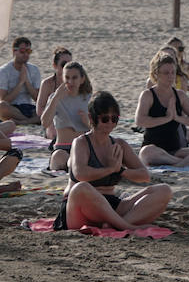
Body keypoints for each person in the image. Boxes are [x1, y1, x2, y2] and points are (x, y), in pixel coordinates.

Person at [57, 91, 171, 231]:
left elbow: (144, 176)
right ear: (91, 118)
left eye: (114, 119)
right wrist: (110, 169)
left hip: (112, 205)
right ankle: (125, 226)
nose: (110, 123)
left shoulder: (119, 144)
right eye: (105, 119)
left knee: (164, 190)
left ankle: (115, 225)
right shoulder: (81, 143)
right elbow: (80, 174)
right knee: (81, 188)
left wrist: (121, 171)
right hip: (81, 208)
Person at [135, 53, 189, 168]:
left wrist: (178, 118)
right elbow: (140, 121)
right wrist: (166, 119)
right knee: (146, 152)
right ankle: (181, 163)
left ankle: (177, 163)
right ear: (156, 74)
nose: (170, 76)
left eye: (173, 72)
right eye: (166, 73)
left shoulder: (180, 95)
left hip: (175, 150)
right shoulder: (148, 95)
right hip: (154, 149)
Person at [41, 60, 94, 170]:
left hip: (84, 147)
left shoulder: (89, 98)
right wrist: (55, 98)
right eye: (67, 78)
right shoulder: (55, 98)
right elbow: (45, 122)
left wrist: (87, 122)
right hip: (63, 147)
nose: (70, 82)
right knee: (59, 158)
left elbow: (101, 129)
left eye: (74, 78)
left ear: (82, 79)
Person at [0, 36, 42, 126]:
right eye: (22, 51)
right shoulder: (4, 70)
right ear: (14, 52)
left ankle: (24, 121)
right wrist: (20, 82)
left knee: (47, 108)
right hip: (12, 108)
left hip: (29, 108)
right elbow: (4, 99)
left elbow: (38, 98)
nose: (26, 54)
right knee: (1, 106)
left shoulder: (34, 70)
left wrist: (27, 81)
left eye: (28, 51)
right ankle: (28, 121)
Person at [35, 47, 73, 137]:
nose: (67, 68)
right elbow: (39, 109)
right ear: (55, 66)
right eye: (63, 64)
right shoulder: (47, 84)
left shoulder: (76, 82)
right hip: (51, 121)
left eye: (70, 65)